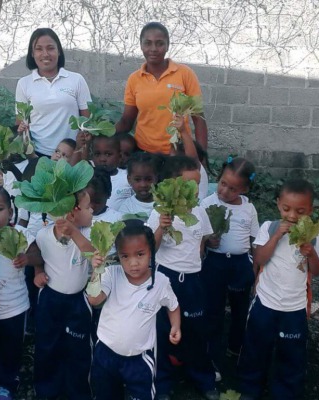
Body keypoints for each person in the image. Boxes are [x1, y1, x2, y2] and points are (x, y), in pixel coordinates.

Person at [238, 179, 319, 400]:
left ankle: (286, 392)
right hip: (265, 303)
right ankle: (250, 388)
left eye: (300, 211)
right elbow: (260, 258)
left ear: (310, 210)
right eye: (286, 209)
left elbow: (316, 271)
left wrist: (311, 253)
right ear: (278, 205)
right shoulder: (269, 228)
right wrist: (276, 237)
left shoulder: (313, 236)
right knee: (255, 347)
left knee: (292, 354)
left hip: (294, 308)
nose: (292, 216)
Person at [147, 155, 219, 400]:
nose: (196, 190)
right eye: (189, 185)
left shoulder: (199, 212)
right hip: (166, 279)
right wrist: (161, 227)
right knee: (162, 330)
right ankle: (163, 383)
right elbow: (150, 250)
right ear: (172, 185)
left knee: (196, 330)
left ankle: (202, 377)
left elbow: (201, 244)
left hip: (192, 280)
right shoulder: (161, 213)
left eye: (198, 184)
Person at [88, 220, 181, 400]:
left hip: (140, 359)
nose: (133, 263)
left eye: (140, 254)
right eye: (125, 256)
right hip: (105, 353)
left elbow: (173, 306)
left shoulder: (160, 282)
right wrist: (96, 271)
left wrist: (175, 326)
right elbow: (94, 299)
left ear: (151, 251)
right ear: (118, 257)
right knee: (105, 394)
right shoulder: (111, 274)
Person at [0, 182, 43, 400]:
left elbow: (39, 257)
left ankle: (8, 383)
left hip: (15, 306)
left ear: (11, 211)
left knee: (11, 348)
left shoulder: (20, 234)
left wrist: (27, 258)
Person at [33, 188, 95, 399]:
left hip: (79, 301)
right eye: (88, 207)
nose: (92, 211)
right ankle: (46, 390)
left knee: (78, 349)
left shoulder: (88, 233)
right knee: (47, 345)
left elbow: (94, 254)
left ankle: (78, 392)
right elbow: (37, 255)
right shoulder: (43, 235)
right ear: (71, 213)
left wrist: (74, 232)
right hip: (50, 299)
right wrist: (38, 271)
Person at [200, 157, 258, 379]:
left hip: (240, 264)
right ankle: (211, 356)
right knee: (212, 310)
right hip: (214, 263)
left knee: (240, 309)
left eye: (232, 188)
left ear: (244, 189)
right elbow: (199, 236)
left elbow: (254, 241)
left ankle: (237, 348)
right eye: (223, 183)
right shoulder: (207, 203)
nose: (224, 191)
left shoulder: (249, 209)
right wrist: (207, 241)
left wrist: (255, 269)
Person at [115, 22, 208, 154]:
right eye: (148, 43)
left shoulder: (185, 74)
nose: (153, 48)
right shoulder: (134, 79)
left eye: (159, 43)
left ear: (167, 46)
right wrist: (102, 133)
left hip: (177, 152)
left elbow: (199, 119)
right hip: (143, 153)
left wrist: (201, 157)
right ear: (141, 46)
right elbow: (126, 121)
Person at [15, 28, 92, 157]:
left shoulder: (76, 80)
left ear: (59, 51)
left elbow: (87, 122)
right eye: (39, 49)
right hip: (38, 156)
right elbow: (20, 123)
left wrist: (80, 152)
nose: (45, 54)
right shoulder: (24, 84)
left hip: (71, 155)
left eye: (50, 48)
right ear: (32, 53)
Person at [118, 152, 165, 219]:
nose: (143, 185)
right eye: (137, 180)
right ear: (129, 180)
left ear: (156, 178)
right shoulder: (127, 207)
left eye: (148, 179)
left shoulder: (164, 203)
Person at [91, 135, 133, 211]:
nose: (102, 159)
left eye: (108, 154)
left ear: (120, 156)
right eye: (97, 154)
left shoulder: (127, 178)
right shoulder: (89, 177)